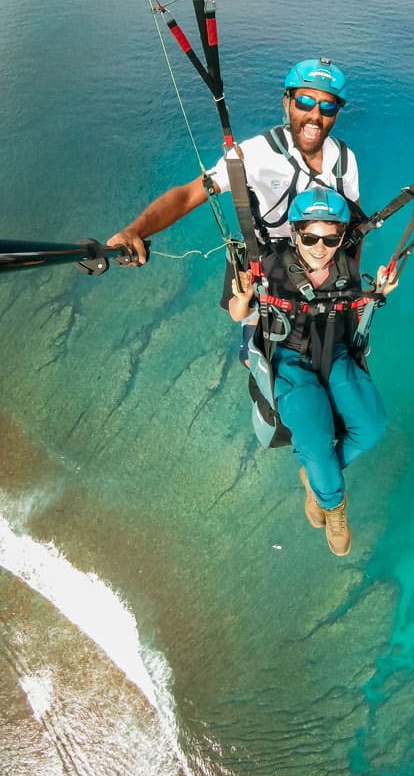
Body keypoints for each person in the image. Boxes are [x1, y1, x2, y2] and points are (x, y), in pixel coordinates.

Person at [228, 187, 397, 557]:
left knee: (371, 426)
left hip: (334, 352)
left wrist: (379, 292)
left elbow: (355, 308)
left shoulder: (346, 268)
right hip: (289, 361)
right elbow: (241, 315)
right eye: (310, 237)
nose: (320, 247)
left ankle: (315, 480)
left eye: (331, 238)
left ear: (340, 237)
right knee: (318, 444)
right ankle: (334, 506)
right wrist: (242, 299)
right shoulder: (271, 266)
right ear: (295, 233)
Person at [106, 57, 359, 261]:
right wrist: (135, 230)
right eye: (305, 102)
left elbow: (355, 227)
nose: (315, 116)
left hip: (318, 262)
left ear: (336, 114)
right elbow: (187, 195)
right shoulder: (257, 154)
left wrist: (353, 285)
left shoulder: (344, 160)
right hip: (265, 262)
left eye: (327, 107)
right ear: (287, 103)